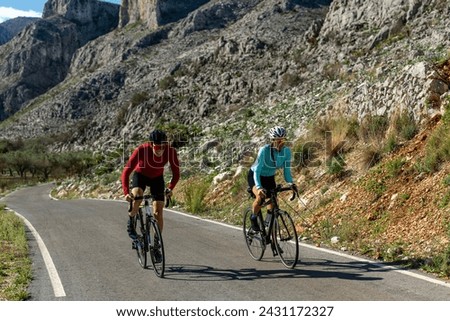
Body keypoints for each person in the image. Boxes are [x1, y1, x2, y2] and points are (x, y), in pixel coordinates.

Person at [121, 129, 180, 253]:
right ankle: (131, 219)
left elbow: (176, 174)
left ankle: (157, 246)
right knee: (137, 197)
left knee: (158, 211)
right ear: (151, 144)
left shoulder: (170, 151)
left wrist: (170, 188)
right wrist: (126, 192)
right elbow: (126, 172)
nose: (160, 150)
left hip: (157, 178)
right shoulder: (142, 150)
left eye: (163, 146)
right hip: (140, 175)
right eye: (157, 147)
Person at [247, 126, 296, 231]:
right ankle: (253, 217)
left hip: (269, 177)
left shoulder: (286, 152)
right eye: (277, 140)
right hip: (256, 175)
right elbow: (257, 170)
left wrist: (291, 183)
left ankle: (267, 224)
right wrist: (259, 187)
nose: (280, 142)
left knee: (273, 201)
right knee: (260, 198)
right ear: (272, 140)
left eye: (282, 140)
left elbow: (286, 171)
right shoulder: (264, 150)